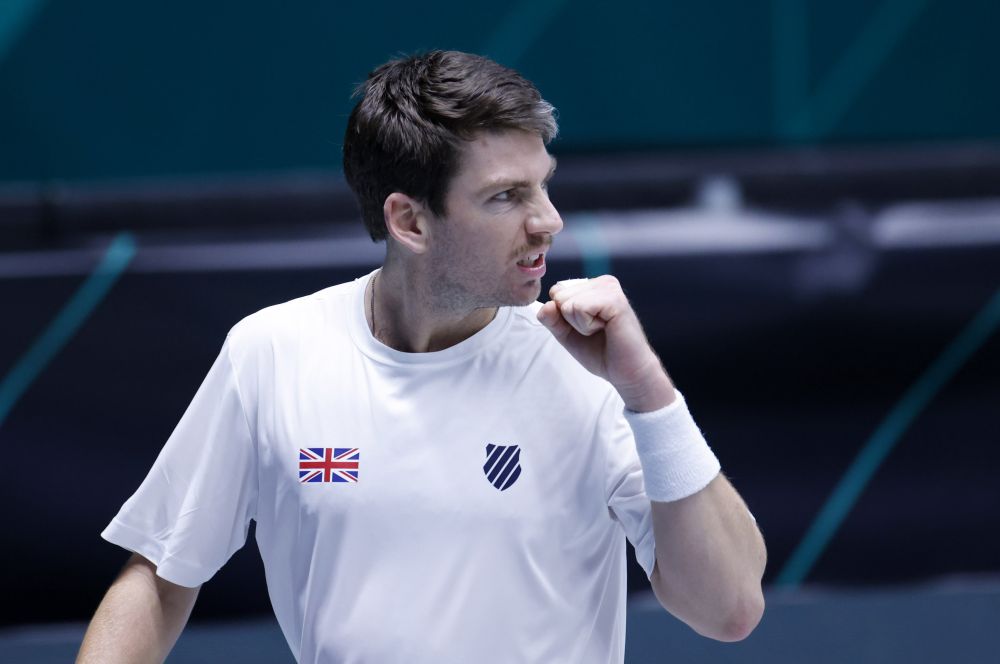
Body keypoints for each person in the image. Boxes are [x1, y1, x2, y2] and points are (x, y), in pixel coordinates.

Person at [77, 50, 766, 664]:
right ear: (409, 221)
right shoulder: (270, 352)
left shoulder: (590, 369)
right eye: (507, 196)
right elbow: (162, 576)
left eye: (544, 184)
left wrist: (647, 390)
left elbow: (730, 609)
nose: (549, 220)